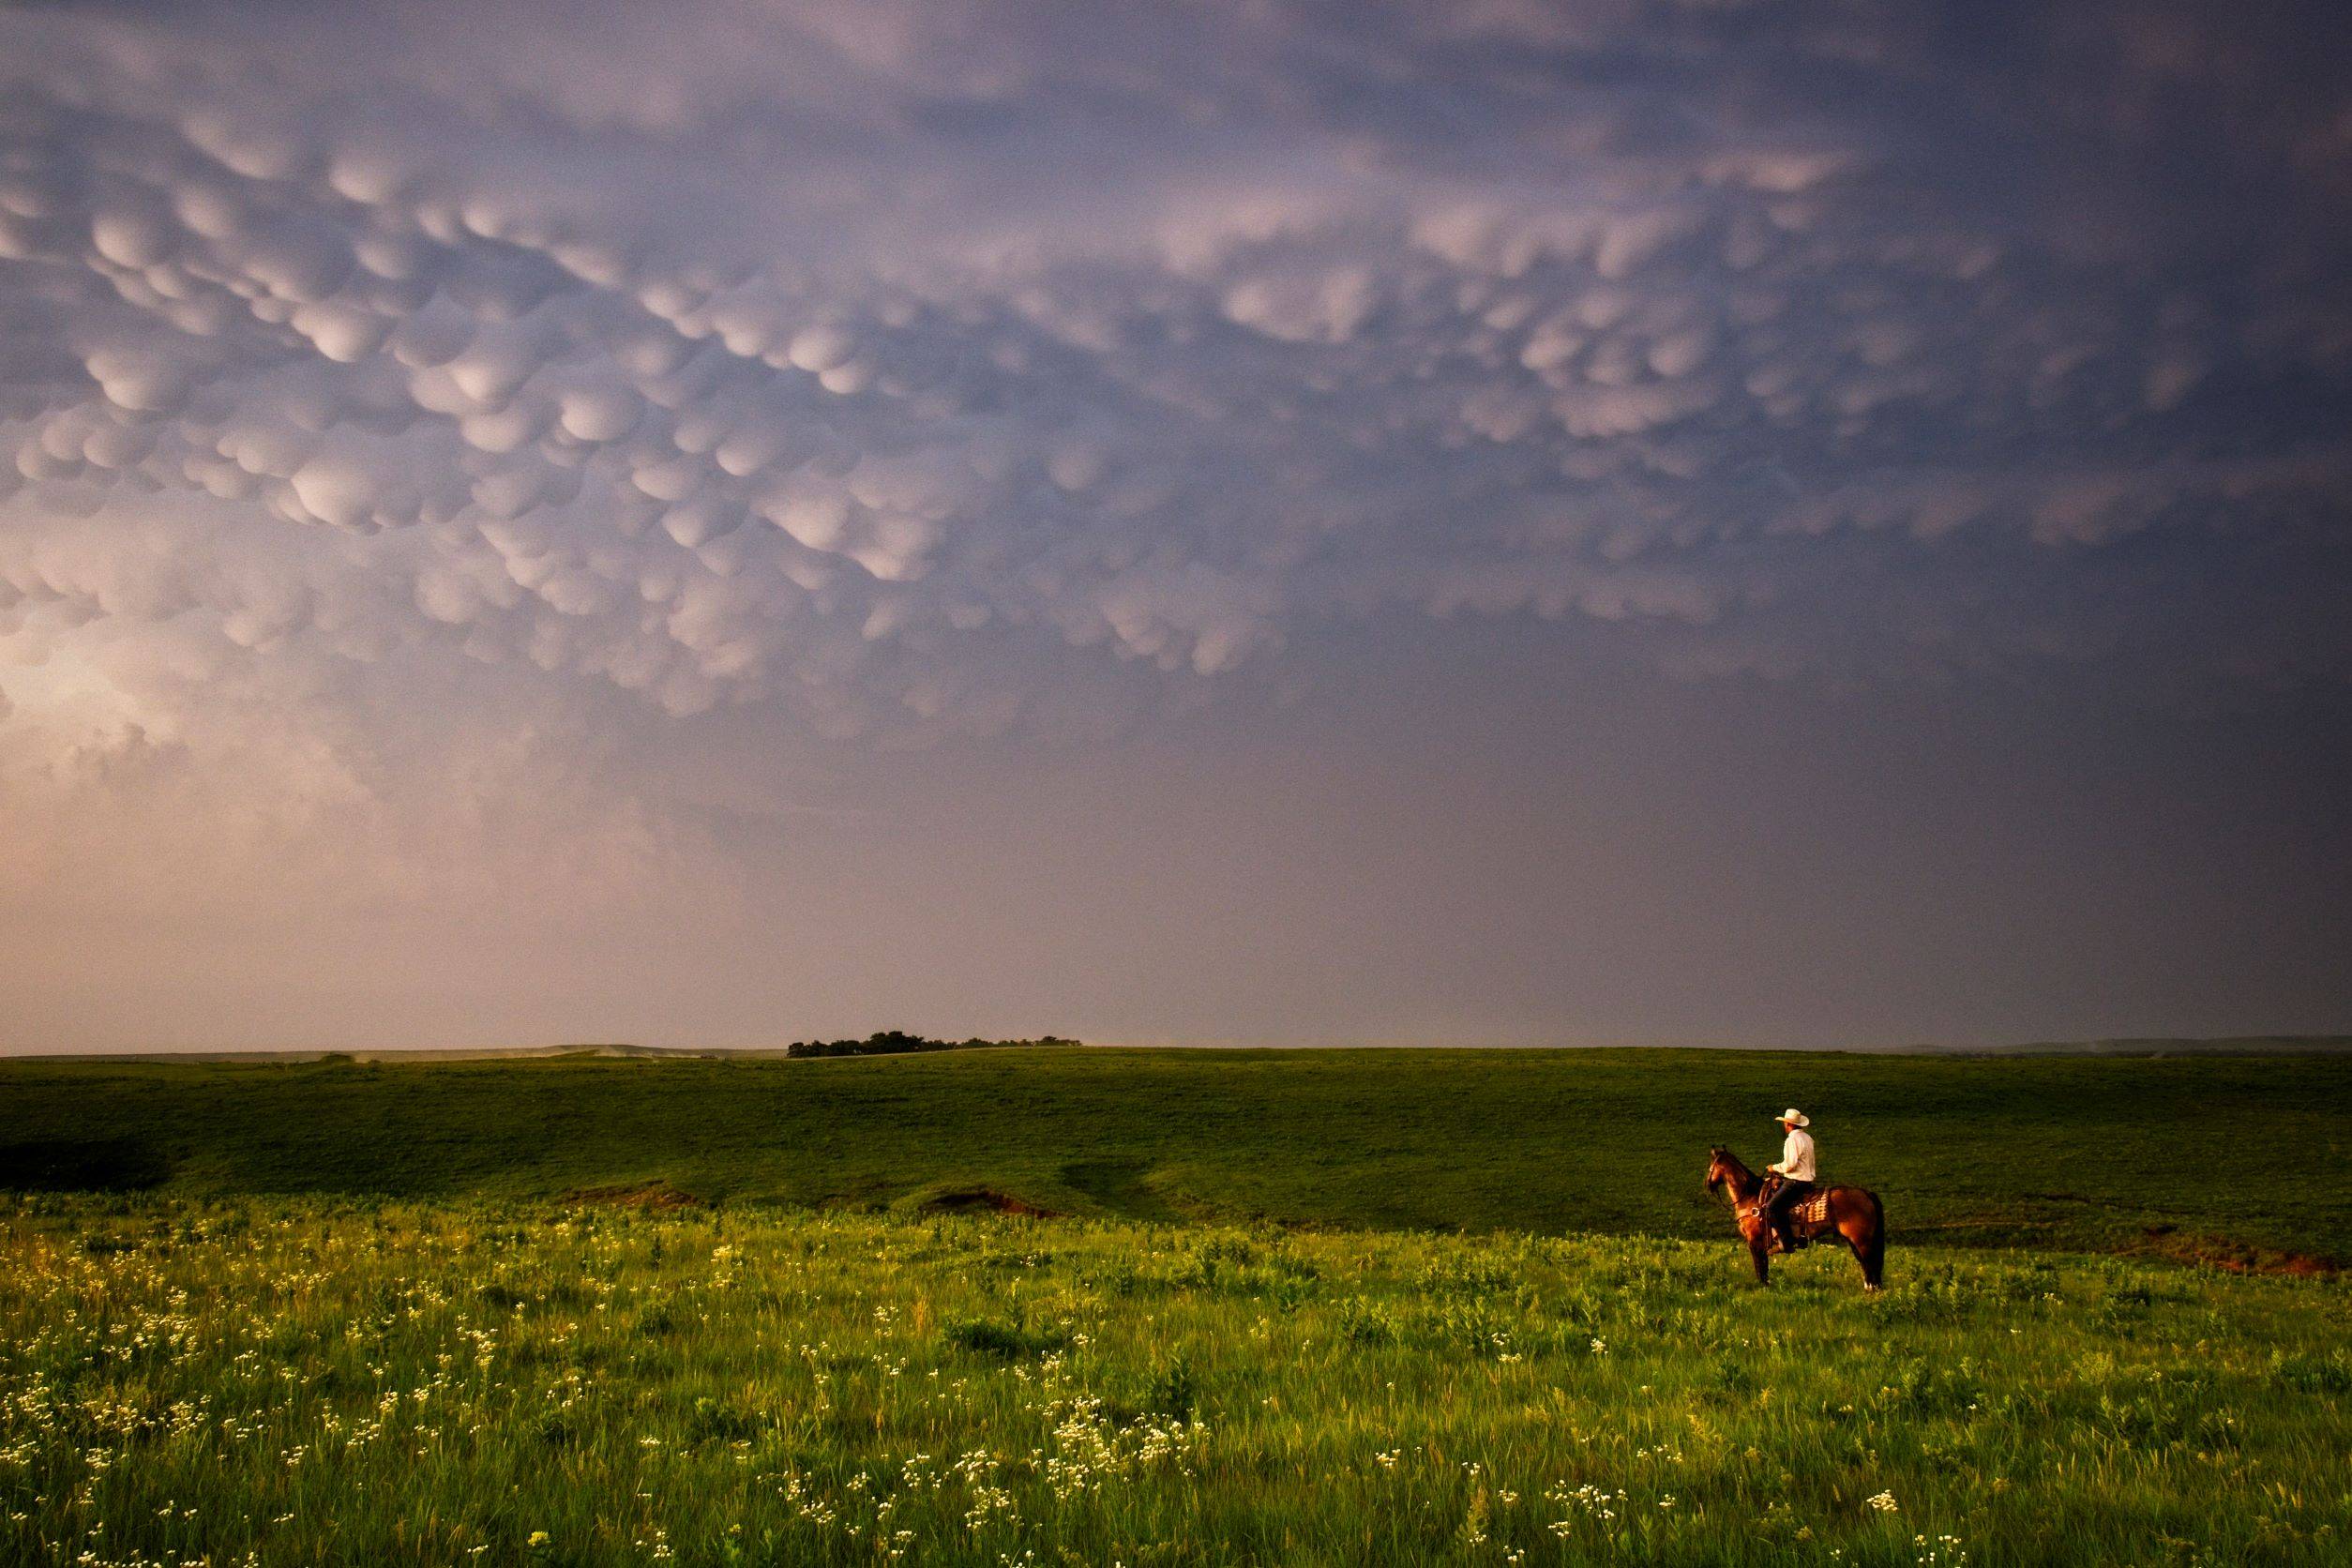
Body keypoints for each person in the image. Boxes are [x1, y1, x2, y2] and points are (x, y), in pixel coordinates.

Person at [1763, 1108, 1817, 1251]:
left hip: (1796, 1182)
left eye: (1785, 1123)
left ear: (1788, 1124)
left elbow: (1789, 1165)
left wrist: (1773, 1167)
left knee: (1771, 1207)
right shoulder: (1807, 1138)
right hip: (1807, 1182)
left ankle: (1786, 1242)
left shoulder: (1792, 1140)